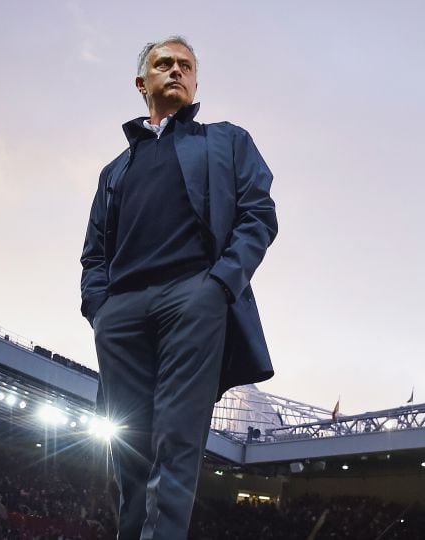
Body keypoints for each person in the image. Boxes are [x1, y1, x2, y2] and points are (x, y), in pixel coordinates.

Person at [79, 35, 278, 539]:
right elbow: (94, 252)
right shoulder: (113, 170)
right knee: (127, 448)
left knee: (176, 440)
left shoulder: (227, 140)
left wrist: (218, 286)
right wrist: (100, 309)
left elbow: (259, 216)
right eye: (163, 63)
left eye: (185, 65)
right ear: (141, 82)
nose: (175, 71)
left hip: (193, 296)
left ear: (195, 80)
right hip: (122, 311)